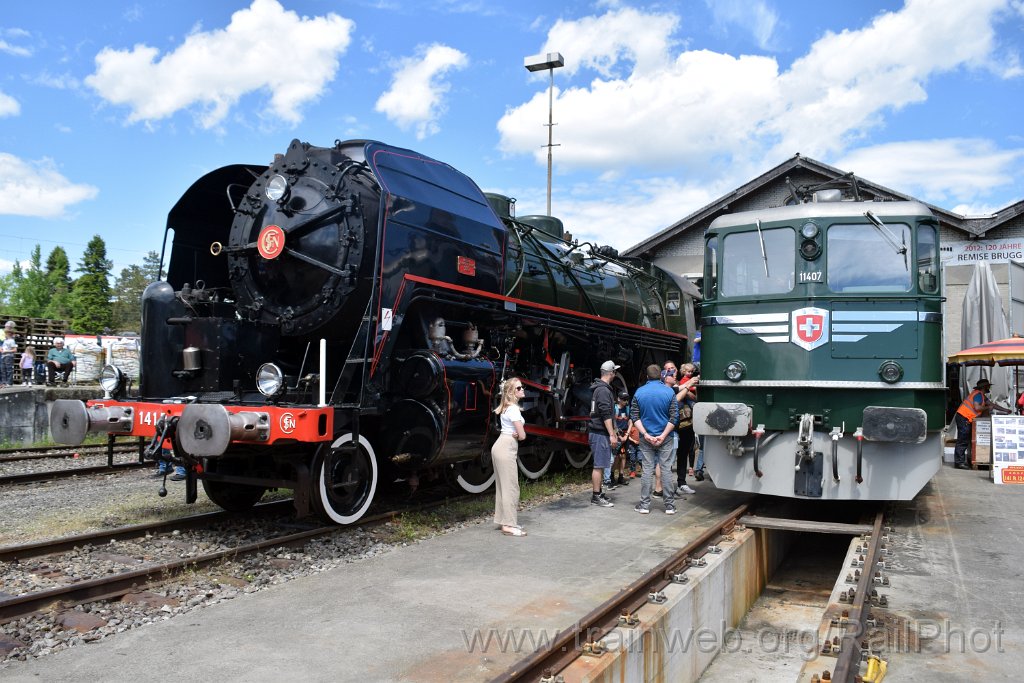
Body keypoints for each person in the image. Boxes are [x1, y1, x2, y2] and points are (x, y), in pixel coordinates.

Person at [632, 363, 680, 515]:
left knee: (647, 470)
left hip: (646, 438)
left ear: (647, 376)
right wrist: (663, 435)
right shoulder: (669, 392)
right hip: (666, 437)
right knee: (666, 470)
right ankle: (670, 506)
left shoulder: (639, 392)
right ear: (661, 376)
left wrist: (646, 434)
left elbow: (634, 416)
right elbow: (674, 417)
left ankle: (644, 505)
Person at [492, 378, 527, 536]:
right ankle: (508, 525)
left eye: (521, 387)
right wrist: (519, 435)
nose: (522, 389)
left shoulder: (506, 407)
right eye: (519, 388)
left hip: (500, 445)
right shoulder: (514, 409)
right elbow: (522, 435)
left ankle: (503, 520)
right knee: (511, 488)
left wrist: (517, 434)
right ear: (512, 392)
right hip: (506, 447)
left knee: (502, 487)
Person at [953, 378, 1006, 469]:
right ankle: (959, 463)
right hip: (964, 417)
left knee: (966, 440)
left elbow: (992, 405)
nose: (989, 388)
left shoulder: (982, 396)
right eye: (988, 386)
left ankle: (962, 461)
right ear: (984, 387)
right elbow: (977, 407)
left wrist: (1005, 410)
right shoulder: (978, 395)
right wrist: (987, 408)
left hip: (964, 417)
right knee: (963, 440)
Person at [587, 360, 619, 508]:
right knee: (599, 465)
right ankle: (596, 496)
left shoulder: (599, 389)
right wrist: (612, 434)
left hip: (598, 432)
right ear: (611, 373)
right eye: (615, 372)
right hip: (600, 432)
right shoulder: (604, 391)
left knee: (600, 464)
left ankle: (598, 493)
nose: (615, 374)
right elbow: (606, 414)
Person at [674, 363, 699, 496]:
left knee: (683, 454)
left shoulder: (681, 383)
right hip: (673, 426)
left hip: (685, 424)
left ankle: (681, 483)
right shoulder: (681, 384)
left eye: (673, 369)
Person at [611, 391, 632, 487]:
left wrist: (626, 435)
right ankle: (611, 475)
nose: (626, 401)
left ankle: (621, 476)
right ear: (619, 399)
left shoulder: (627, 408)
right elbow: (613, 424)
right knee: (616, 457)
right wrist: (619, 436)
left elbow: (630, 422)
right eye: (624, 399)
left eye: (627, 399)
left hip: (625, 434)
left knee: (623, 456)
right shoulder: (615, 409)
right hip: (617, 435)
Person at [0, 321, 16, 388]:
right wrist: (1, 349)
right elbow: (2, 347)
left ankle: (9, 383)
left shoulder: (12, 341)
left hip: (8, 356)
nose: (4, 335)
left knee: (8, 369)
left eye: (5, 333)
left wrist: (6, 351)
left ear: (9, 334)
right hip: (3, 356)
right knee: (2, 369)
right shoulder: (4, 340)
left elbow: (14, 350)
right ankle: (3, 383)